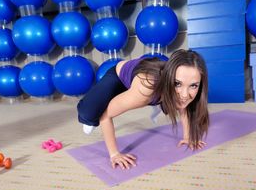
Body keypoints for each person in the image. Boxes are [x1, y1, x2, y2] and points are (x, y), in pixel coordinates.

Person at [77, 49, 209, 170]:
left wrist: (187, 137)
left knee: (178, 99)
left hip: (149, 83)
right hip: (119, 76)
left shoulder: (183, 86)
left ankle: (160, 99)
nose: (185, 94)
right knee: (90, 114)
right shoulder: (145, 90)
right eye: (177, 83)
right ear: (169, 78)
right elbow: (106, 115)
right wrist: (114, 154)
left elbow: (183, 107)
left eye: (193, 86)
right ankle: (90, 116)